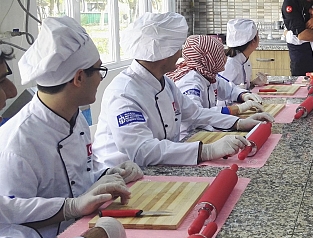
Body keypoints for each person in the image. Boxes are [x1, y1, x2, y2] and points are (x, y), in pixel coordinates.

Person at [0, 18, 139, 238]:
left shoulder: (74, 117)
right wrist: (72, 208)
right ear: (78, 78)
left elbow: (76, 181)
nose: (11, 92)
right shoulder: (17, 144)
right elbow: (13, 218)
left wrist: (107, 176)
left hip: (79, 230)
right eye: (99, 71)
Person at [92, 12, 273, 169]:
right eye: (177, 48)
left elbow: (195, 113)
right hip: (122, 179)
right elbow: (142, 150)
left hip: (157, 167)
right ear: (164, 54)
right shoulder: (124, 93)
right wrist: (206, 150)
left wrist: (238, 123)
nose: (180, 55)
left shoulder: (165, 83)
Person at [167, 35, 264, 118]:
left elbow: (229, 89)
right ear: (208, 58)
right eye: (219, 54)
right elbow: (197, 114)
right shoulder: (190, 82)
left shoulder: (208, 74)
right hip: (188, 134)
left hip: (207, 126)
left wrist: (244, 95)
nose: (224, 58)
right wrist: (237, 109)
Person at [220, 19, 267, 89]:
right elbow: (220, 93)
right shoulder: (230, 64)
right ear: (253, 40)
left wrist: (253, 83)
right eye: (257, 35)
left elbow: (242, 87)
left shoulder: (244, 59)